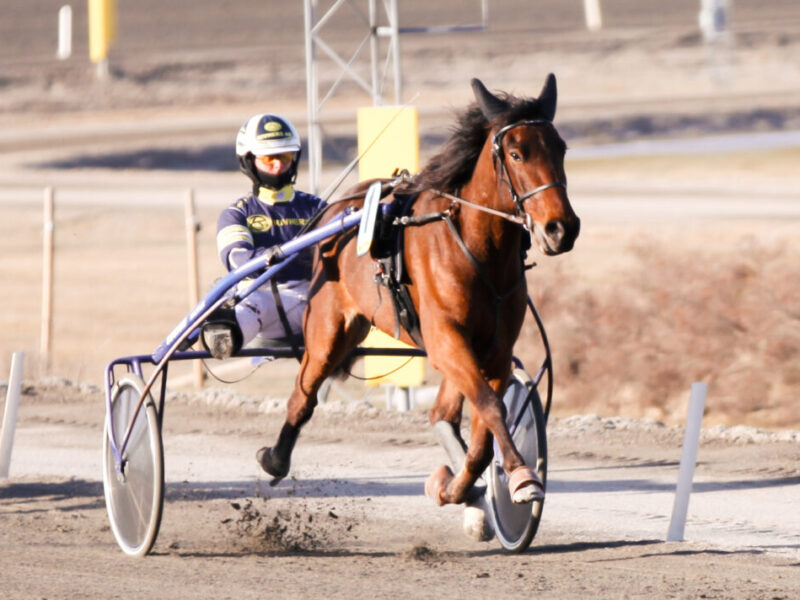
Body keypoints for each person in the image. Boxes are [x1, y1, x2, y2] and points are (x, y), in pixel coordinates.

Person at [201, 113, 325, 360]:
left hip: (314, 298)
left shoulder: (317, 207)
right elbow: (236, 258)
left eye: (285, 157)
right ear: (248, 160)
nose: (278, 166)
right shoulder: (237, 213)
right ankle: (223, 333)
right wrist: (273, 256)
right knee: (242, 300)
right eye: (269, 158)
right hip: (263, 298)